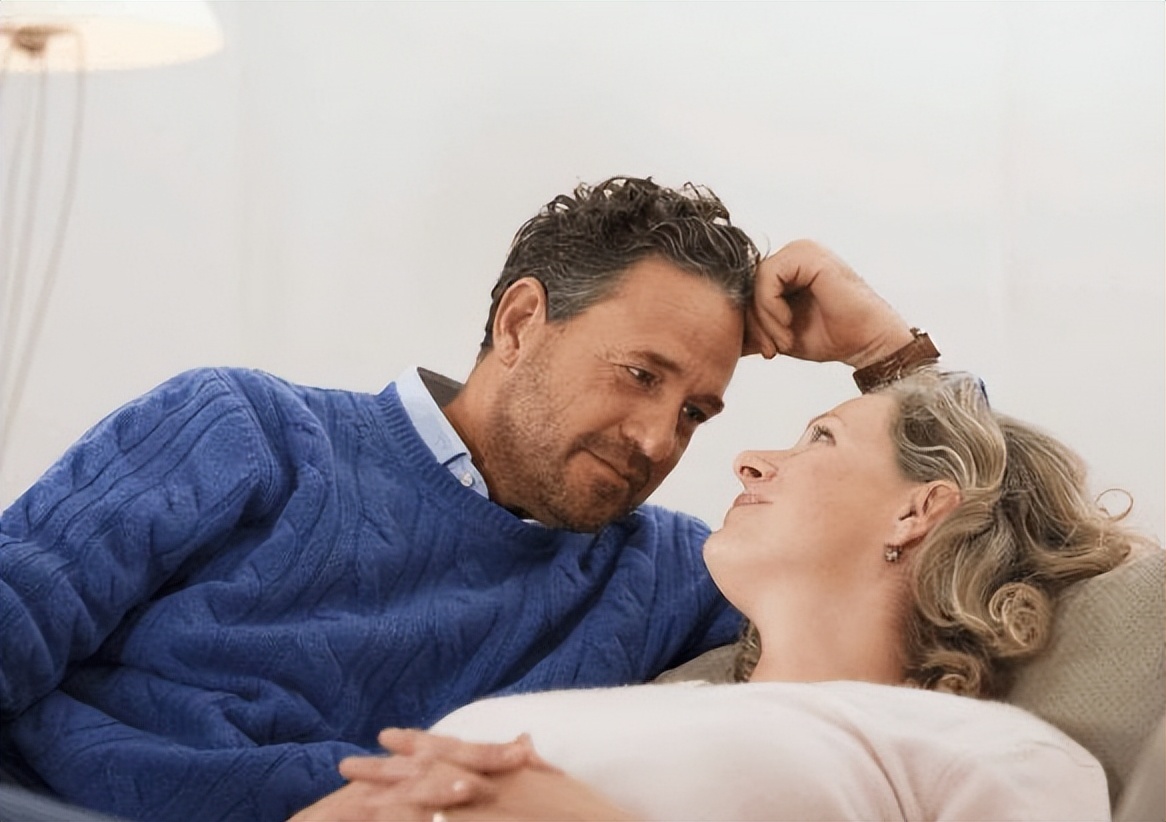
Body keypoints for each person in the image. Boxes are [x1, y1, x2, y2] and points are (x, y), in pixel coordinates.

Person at [0, 177, 930, 821]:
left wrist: (888, 354)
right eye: (639, 374)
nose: (657, 440)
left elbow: (974, 561)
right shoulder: (244, 429)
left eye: (694, 411)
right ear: (521, 321)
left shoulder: (658, 575)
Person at [308, 368, 1138, 822]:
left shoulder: (984, 752)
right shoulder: (644, 699)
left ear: (919, 508)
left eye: (820, 438)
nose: (745, 459)